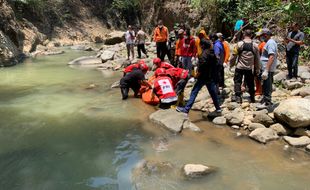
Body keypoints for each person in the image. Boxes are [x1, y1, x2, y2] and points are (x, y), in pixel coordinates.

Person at [176, 39, 221, 114]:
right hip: (210, 77)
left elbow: (202, 66)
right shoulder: (212, 53)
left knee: (194, 92)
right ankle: (218, 108)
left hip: (203, 77)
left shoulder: (204, 54)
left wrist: (197, 75)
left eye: (200, 45)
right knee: (212, 93)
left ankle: (186, 109)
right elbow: (215, 65)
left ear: (203, 45)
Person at [229, 29, 260, 104]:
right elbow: (257, 59)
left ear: (244, 35)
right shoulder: (255, 46)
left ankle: (238, 97)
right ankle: (252, 97)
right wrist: (257, 68)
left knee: (237, 81)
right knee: (250, 83)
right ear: (251, 35)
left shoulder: (239, 44)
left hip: (239, 67)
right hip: (249, 68)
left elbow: (234, 56)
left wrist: (231, 64)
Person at [257, 28, 278, 109]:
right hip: (266, 67)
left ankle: (267, 102)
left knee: (267, 85)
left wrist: (266, 70)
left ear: (265, 35)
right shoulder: (268, 42)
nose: (260, 37)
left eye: (261, 35)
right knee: (266, 84)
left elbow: (272, 56)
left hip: (267, 68)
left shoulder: (271, 43)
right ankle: (265, 100)